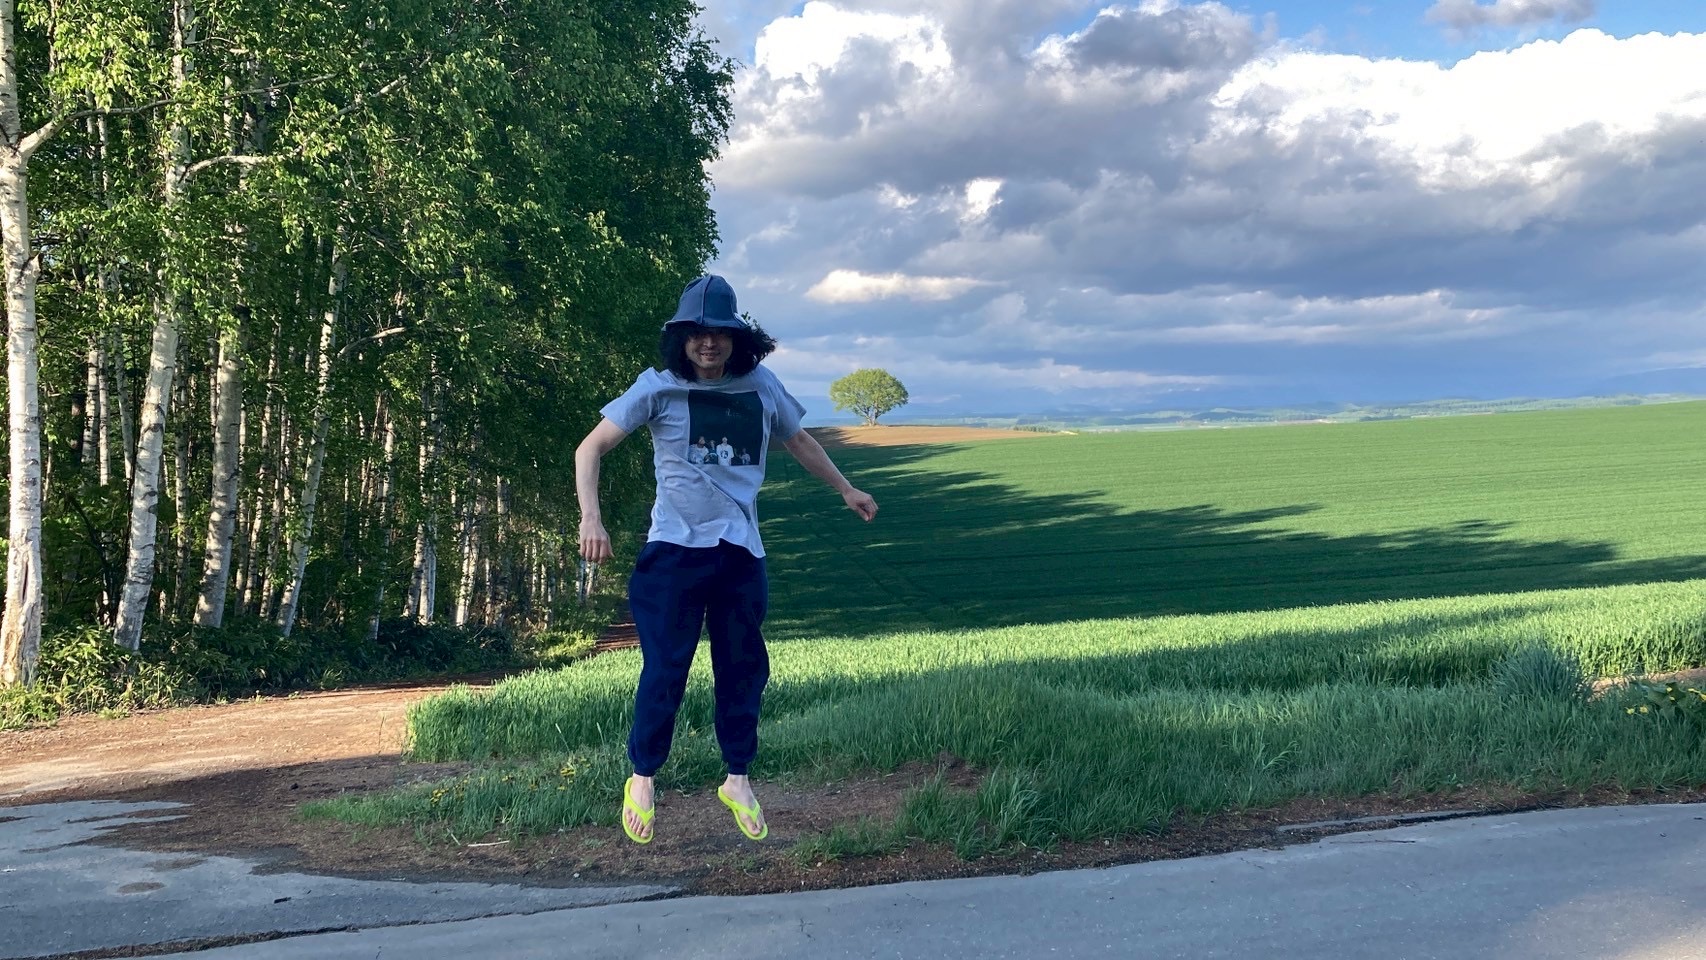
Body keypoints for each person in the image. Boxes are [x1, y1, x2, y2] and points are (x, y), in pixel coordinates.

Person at [575, 274, 878, 845]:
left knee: (743, 668)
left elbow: (799, 440)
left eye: (719, 332)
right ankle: (643, 776)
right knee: (666, 667)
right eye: (697, 333)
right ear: (681, 338)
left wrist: (845, 488)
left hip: (740, 553)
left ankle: (738, 778)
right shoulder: (658, 388)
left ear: (739, 338)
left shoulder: (760, 385)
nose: (708, 342)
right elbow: (590, 447)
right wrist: (591, 517)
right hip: (673, 552)